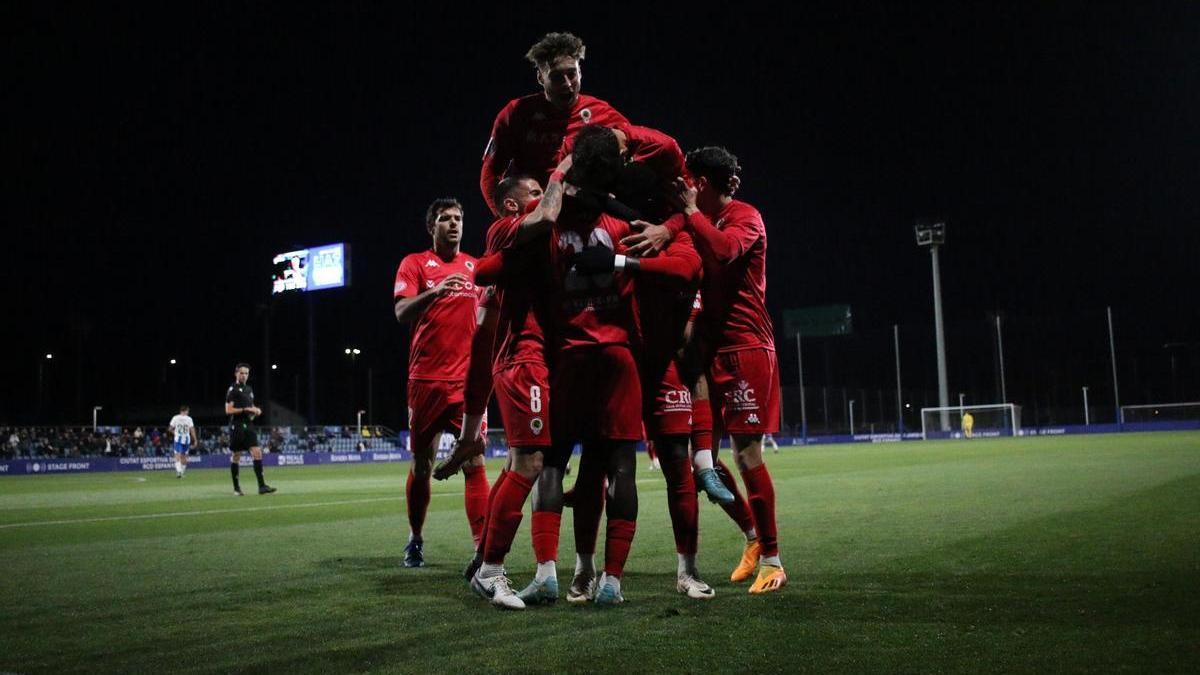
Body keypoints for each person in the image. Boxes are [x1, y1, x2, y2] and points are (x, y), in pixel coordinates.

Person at [670, 146, 786, 594]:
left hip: (745, 349)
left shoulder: (745, 216)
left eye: (688, 179)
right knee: (703, 460)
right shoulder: (695, 219)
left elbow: (722, 252)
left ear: (700, 183)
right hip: (707, 352)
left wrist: (688, 215)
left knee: (747, 455)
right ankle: (753, 536)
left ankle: (773, 560)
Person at [393, 198, 489, 568]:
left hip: (467, 382)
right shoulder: (415, 264)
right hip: (425, 380)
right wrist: (435, 291)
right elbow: (401, 312)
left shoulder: (475, 267)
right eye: (446, 219)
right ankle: (416, 539)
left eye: (459, 218)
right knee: (422, 463)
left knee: (474, 460)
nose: (454, 224)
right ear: (432, 226)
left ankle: (482, 548)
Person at [480, 32, 628, 215]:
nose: (567, 84)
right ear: (541, 78)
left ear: (580, 72)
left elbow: (638, 149)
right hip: (536, 216)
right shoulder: (516, 114)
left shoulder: (601, 112)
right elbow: (490, 174)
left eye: (572, 74)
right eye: (557, 77)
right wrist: (507, 222)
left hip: (585, 215)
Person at [225, 363, 275, 496]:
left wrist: (255, 410)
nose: (244, 375)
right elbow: (228, 410)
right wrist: (245, 410)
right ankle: (236, 488)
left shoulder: (249, 389)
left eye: (246, 373)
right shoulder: (232, 390)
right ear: (236, 373)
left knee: (257, 452)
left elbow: (250, 406)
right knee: (236, 455)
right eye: (241, 373)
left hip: (248, 425)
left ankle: (262, 486)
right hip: (237, 425)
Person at [168, 405, 197, 478]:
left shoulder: (175, 417)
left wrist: (175, 433)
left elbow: (170, 429)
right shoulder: (189, 419)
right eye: (188, 411)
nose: (188, 412)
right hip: (187, 440)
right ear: (186, 411)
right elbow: (192, 430)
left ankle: (179, 472)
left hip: (178, 439)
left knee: (177, 455)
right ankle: (182, 473)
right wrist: (195, 440)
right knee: (184, 457)